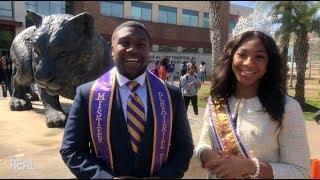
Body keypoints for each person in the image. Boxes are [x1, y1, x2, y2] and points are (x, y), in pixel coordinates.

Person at [60, 21, 194, 179]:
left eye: (141, 44)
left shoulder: (171, 94)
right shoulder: (87, 94)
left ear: (148, 51)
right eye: (124, 43)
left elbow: (184, 147)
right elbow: (71, 150)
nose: (132, 49)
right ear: (112, 50)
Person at [195, 29, 310, 178]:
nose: (249, 63)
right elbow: (202, 144)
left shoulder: (287, 107)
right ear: (231, 57)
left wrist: (249, 167)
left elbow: (300, 172)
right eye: (242, 54)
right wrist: (206, 154)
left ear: (269, 63)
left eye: (260, 57)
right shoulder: (216, 101)